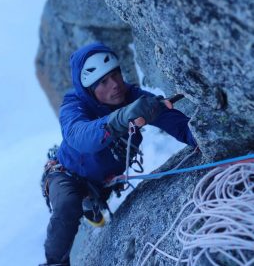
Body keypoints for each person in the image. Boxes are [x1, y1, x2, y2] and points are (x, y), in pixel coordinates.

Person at [40, 42, 197, 266]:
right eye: (103, 82)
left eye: (116, 75)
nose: (114, 85)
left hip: (102, 181)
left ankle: (91, 203)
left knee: (92, 199)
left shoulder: (132, 97)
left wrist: (199, 137)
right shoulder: (73, 105)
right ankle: (54, 263)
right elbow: (79, 136)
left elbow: (173, 122)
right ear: (88, 89)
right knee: (67, 205)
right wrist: (121, 119)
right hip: (66, 174)